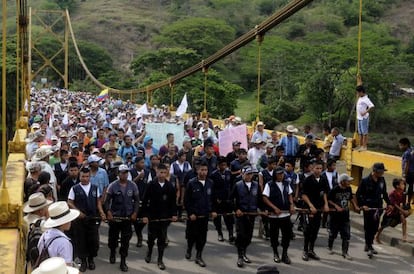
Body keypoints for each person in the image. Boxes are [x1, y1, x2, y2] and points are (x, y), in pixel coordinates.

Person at [67, 167, 106, 272]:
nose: (85, 179)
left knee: (93, 241)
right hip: (80, 221)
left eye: (87, 176)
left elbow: (98, 201)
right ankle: (83, 261)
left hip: (92, 219)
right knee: (81, 241)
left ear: (90, 177)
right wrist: (78, 212)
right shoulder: (74, 188)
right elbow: (70, 202)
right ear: (80, 176)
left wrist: (101, 212)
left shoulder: (95, 188)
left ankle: (91, 259)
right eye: (83, 176)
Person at [142, 164, 178, 270]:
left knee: (162, 240)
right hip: (152, 216)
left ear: (167, 173)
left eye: (164, 173)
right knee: (151, 238)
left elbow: (173, 202)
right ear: (156, 172)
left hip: (164, 217)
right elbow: (145, 201)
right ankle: (149, 252)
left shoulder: (169, 186)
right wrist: (145, 215)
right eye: (160, 172)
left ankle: (160, 259)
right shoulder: (151, 185)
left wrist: (174, 214)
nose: (162, 175)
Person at [104, 164, 139, 272]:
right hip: (115, 217)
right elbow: (106, 201)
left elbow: (137, 200)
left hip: (127, 218)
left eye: (126, 172)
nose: (124, 174)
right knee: (113, 238)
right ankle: (113, 252)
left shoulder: (132, 185)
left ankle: (123, 261)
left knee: (125, 240)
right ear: (118, 173)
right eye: (122, 172)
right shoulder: (112, 186)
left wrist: (135, 213)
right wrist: (108, 212)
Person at [184, 161, 217, 267]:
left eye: (205, 170)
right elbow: (187, 200)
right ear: (197, 170)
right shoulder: (191, 183)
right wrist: (191, 213)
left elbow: (213, 199)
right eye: (201, 170)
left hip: (204, 215)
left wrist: (213, 211)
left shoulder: (210, 183)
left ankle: (199, 256)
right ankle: (189, 249)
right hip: (194, 216)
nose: (204, 172)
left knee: (202, 237)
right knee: (191, 235)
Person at [356, 162, 391, 258]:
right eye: (380, 172)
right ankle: (369, 245)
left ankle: (369, 243)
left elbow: (384, 194)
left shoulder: (382, 180)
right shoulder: (365, 181)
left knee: (375, 227)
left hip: (378, 207)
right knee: (368, 227)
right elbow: (359, 195)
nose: (382, 173)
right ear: (374, 171)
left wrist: (389, 203)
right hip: (368, 207)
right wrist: (362, 205)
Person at [262, 166, 295, 265]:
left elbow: (289, 195)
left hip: (285, 215)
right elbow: (265, 198)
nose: (281, 176)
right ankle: (275, 253)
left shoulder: (286, 183)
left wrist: (292, 205)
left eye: (282, 174)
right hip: (274, 215)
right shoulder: (269, 184)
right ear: (275, 175)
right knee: (274, 236)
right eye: (278, 174)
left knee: (287, 235)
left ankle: (284, 254)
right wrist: (274, 208)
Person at [230, 165, 260, 268]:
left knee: (248, 237)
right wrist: (236, 209)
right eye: (247, 174)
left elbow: (259, 199)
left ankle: (244, 252)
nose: (249, 176)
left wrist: (262, 210)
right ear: (242, 174)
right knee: (240, 235)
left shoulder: (256, 185)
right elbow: (231, 200)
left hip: (251, 214)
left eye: (251, 174)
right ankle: (240, 256)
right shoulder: (238, 185)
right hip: (241, 215)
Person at [301, 160, 329, 261]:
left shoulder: (323, 179)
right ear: (312, 169)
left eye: (320, 168)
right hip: (309, 209)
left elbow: (325, 192)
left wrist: (326, 204)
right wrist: (310, 205)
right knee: (308, 230)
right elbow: (303, 194)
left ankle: (311, 250)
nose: (319, 170)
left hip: (319, 209)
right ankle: (305, 250)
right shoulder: (307, 180)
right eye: (317, 168)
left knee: (315, 230)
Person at [327, 173, 359, 260]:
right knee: (333, 233)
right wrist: (336, 206)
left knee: (346, 235)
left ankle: (345, 252)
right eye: (348, 181)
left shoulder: (348, 188)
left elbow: (351, 198)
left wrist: (355, 206)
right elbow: (328, 199)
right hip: (335, 216)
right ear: (342, 181)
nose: (349, 182)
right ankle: (330, 247)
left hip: (345, 216)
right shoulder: (335, 189)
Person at [375, 178, 412, 244]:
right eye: (402, 184)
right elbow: (394, 205)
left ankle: (404, 237)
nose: (404, 185)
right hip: (390, 212)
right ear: (397, 186)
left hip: (398, 211)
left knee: (404, 221)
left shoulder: (403, 194)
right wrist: (403, 211)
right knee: (384, 225)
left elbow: (402, 204)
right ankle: (377, 236)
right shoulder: (392, 194)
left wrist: (403, 212)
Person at [211, 156, 235, 243]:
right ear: (218, 165)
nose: (223, 167)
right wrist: (215, 198)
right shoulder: (213, 175)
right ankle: (220, 233)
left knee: (229, 218)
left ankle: (231, 234)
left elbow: (232, 186)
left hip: (227, 200)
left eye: (225, 165)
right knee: (217, 219)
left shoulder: (229, 174)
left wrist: (231, 197)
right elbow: (212, 189)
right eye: (221, 165)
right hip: (218, 200)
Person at [356, 85, 374, 151]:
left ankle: (364, 146)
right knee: (360, 132)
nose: (357, 94)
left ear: (361, 92)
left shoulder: (366, 99)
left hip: (364, 118)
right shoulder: (360, 98)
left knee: (364, 133)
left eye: (358, 92)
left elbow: (371, 106)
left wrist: (365, 112)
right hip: (359, 117)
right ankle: (360, 145)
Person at [399, 138, 414, 204]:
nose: (400, 147)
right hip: (413, 171)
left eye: (401, 145)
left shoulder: (407, 153)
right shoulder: (412, 149)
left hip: (408, 172)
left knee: (404, 188)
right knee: (411, 186)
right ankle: (409, 202)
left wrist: (404, 175)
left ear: (406, 145)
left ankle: (405, 203)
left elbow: (407, 164)